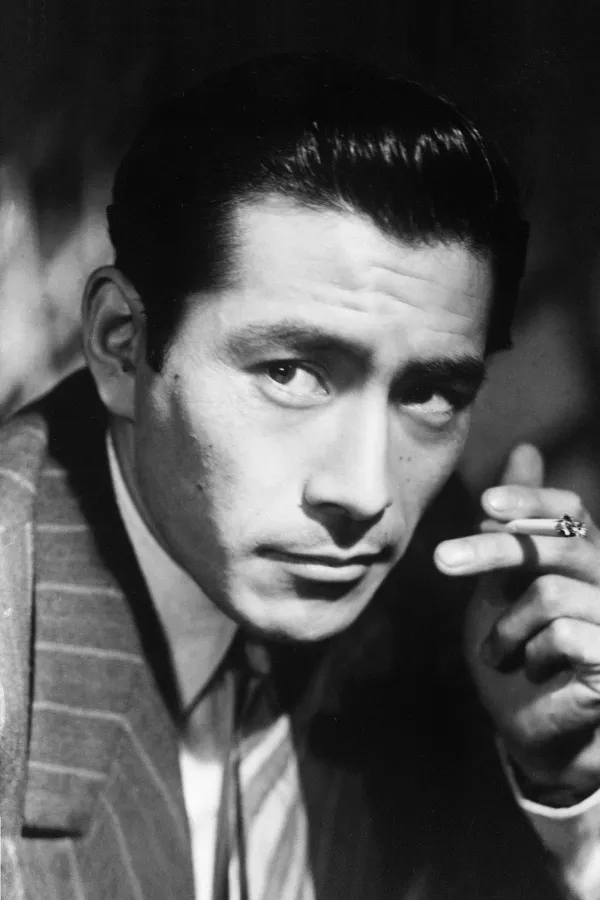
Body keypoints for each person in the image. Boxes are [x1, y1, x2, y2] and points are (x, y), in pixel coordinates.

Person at [1, 52, 599, 900]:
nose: (365, 492)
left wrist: (558, 781)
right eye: (290, 372)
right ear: (120, 346)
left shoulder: (455, 585)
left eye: (429, 392)